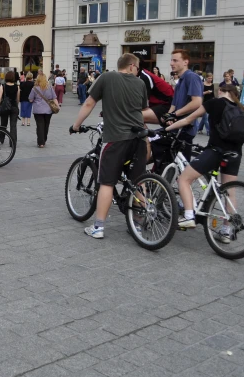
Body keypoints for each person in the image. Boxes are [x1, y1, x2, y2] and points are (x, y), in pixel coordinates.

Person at [71, 53, 150, 239]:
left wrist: (75, 126)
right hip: (138, 139)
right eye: (138, 68)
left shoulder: (106, 77)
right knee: (138, 181)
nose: (138, 72)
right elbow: (142, 111)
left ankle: (98, 227)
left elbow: (89, 102)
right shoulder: (140, 84)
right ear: (131, 66)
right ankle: (138, 224)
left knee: (106, 181)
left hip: (115, 138)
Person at [166, 85, 244, 237]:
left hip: (216, 151)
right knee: (229, 191)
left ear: (221, 91)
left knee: (184, 179)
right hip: (235, 153)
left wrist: (166, 130)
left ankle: (189, 216)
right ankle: (227, 231)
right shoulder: (239, 108)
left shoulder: (215, 103)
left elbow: (188, 119)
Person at [165, 49, 203, 160]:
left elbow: (197, 102)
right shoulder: (180, 81)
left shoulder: (191, 77)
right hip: (177, 127)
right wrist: (168, 117)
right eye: (171, 60)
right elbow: (174, 104)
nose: (171, 63)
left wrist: (175, 114)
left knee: (181, 163)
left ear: (185, 62)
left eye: (175, 60)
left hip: (186, 128)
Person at [30, 72, 58, 148]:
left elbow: (30, 99)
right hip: (48, 110)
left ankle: (40, 142)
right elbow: (54, 97)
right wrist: (57, 106)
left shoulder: (34, 88)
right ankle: (44, 139)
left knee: (39, 125)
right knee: (46, 125)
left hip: (38, 110)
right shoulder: (50, 87)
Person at [0, 70, 20, 146]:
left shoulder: (2, 86)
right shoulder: (17, 86)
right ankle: (13, 142)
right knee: (13, 125)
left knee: (3, 124)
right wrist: (16, 105)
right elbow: (17, 99)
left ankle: (1, 139)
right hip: (14, 107)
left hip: (5, 107)